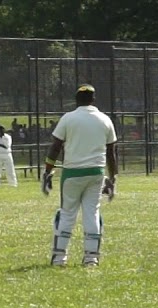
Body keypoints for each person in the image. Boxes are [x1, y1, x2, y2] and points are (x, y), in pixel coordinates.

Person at [41, 83, 118, 267]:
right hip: (96, 172)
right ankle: (91, 258)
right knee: (92, 213)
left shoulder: (68, 118)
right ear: (93, 99)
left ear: (76, 100)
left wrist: (47, 171)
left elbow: (55, 147)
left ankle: (59, 258)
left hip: (72, 173)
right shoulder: (105, 120)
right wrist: (113, 178)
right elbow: (111, 152)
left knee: (67, 213)